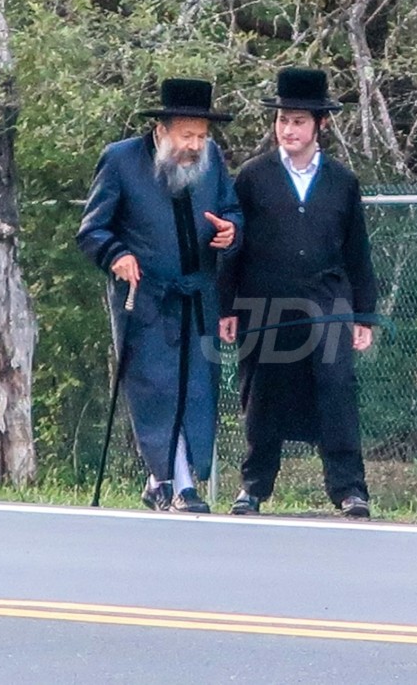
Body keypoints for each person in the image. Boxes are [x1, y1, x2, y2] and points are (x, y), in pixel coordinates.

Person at [77, 78, 242, 513]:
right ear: (162, 129)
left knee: (196, 391)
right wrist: (117, 255)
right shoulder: (121, 160)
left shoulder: (212, 159)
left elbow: (232, 210)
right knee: (157, 391)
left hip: (198, 297)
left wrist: (231, 231)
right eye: (187, 135)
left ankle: (160, 482)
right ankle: (180, 487)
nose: (195, 145)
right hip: (147, 299)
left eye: (201, 136)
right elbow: (93, 229)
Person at [218, 67, 377, 518]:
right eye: (283, 120)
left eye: (299, 121)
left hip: (327, 300)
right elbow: (233, 245)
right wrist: (227, 306)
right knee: (262, 393)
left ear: (319, 124)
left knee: (336, 388)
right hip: (265, 301)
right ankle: (253, 487)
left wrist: (363, 314)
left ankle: (349, 490)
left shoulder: (342, 181)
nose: (289, 130)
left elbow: (357, 251)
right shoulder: (253, 177)